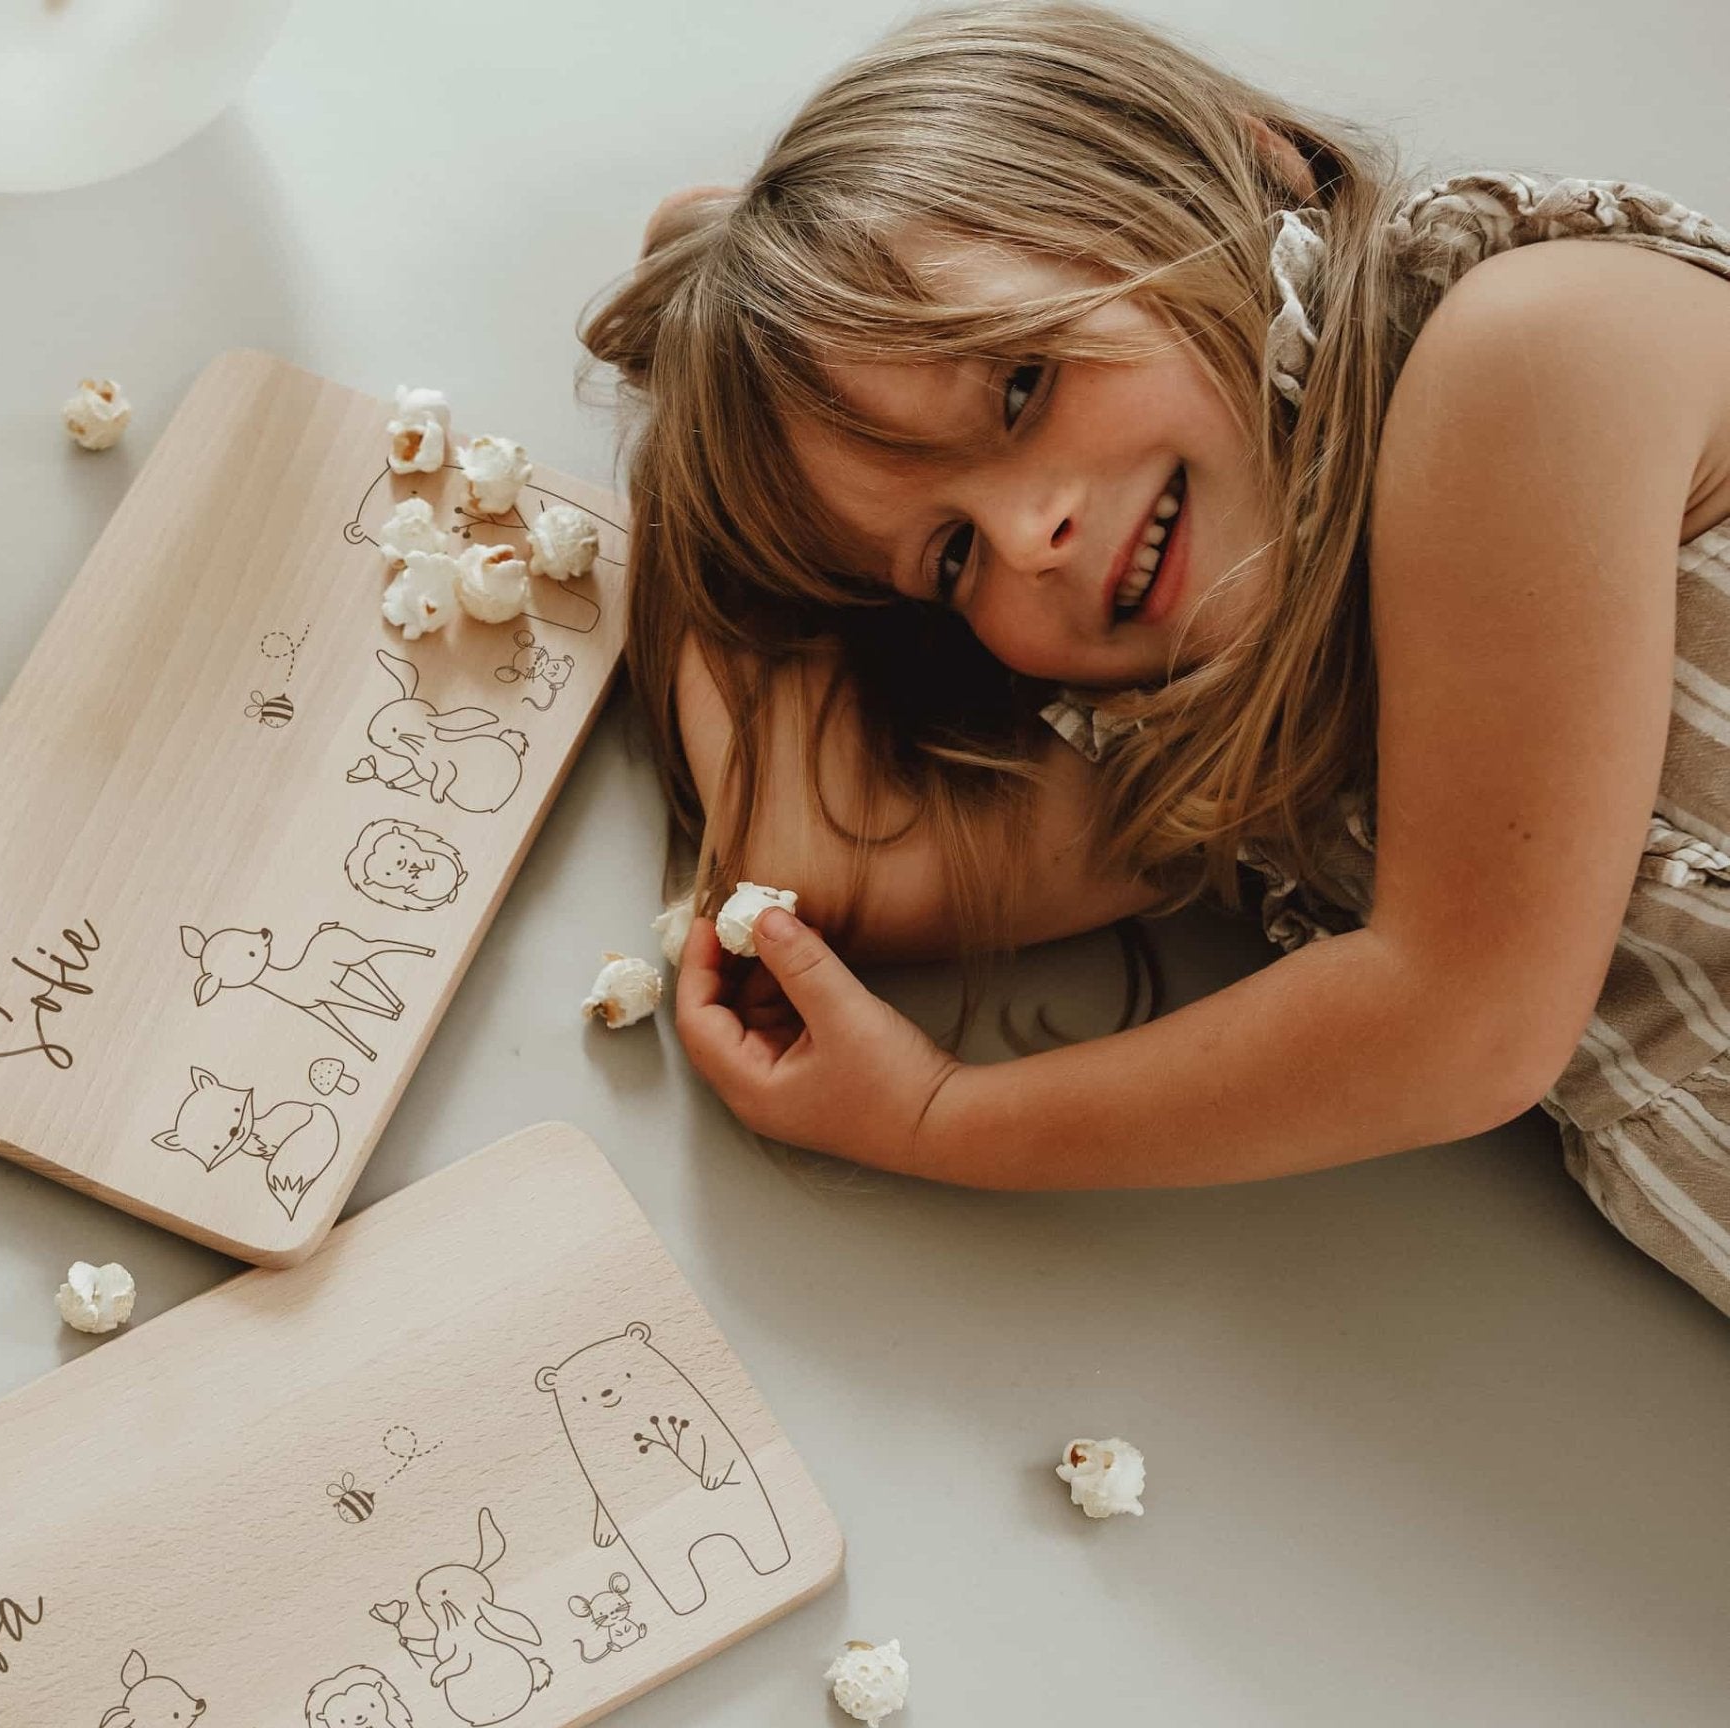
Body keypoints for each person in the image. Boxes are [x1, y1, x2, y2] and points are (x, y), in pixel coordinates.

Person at [578, 0, 1730, 1314]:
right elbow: (804, 866)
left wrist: (942, 1119)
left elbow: (1462, 1024)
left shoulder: (1535, 349)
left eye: (1020, 387)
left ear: (1232, 176)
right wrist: (698, 411)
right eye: (948, 562)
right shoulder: (1233, 740)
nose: (1030, 537)